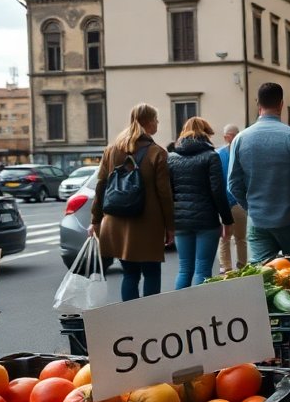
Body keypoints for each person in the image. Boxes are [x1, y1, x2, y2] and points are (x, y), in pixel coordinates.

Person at [90, 103, 174, 301]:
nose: (157, 123)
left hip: (115, 222)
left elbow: (100, 186)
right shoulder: (157, 153)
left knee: (129, 274)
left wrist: (95, 219)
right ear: (148, 122)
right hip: (147, 223)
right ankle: (150, 321)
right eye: (156, 119)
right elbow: (164, 193)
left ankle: (131, 323)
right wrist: (170, 226)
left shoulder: (111, 150)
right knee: (152, 273)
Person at [228, 83, 290, 264]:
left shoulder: (240, 139)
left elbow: (233, 184)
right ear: (281, 104)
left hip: (258, 219)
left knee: (262, 278)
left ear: (257, 104)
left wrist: (250, 207)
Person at [167, 118, 231, 288]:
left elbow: (169, 193)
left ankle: (180, 310)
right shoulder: (211, 156)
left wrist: (170, 222)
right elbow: (218, 191)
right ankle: (201, 311)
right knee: (203, 269)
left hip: (181, 220)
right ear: (206, 134)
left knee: (184, 268)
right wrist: (227, 220)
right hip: (207, 220)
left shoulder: (172, 158)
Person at [215, 123, 247, 274]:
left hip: (234, 201)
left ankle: (236, 266)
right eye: (230, 136)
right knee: (228, 236)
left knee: (236, 237)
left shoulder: (240, 153)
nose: (231, 138)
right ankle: (230, 266)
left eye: (233, 135)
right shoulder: (220, 155)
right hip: (229, 201)